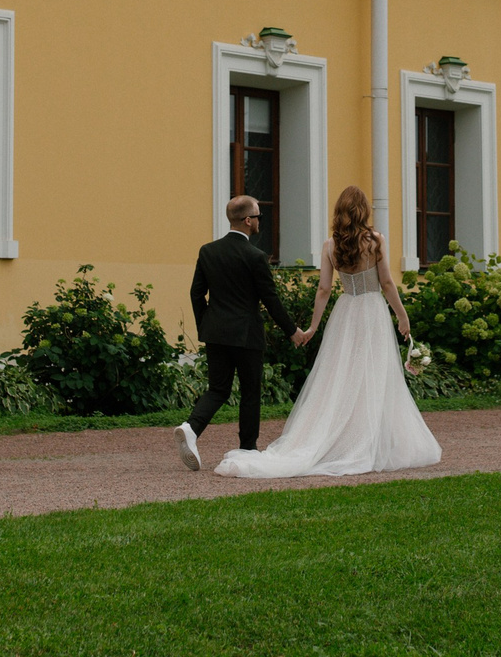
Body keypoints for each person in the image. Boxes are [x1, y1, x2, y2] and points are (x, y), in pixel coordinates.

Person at [212, 185, 441, 479]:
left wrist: (313, 327)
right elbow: (386, 284)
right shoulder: (375, 241)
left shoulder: (330, 245)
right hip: (372, 312)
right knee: (374, 374)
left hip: (346, 312)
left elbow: (323, 289)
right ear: (364, 211)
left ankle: (348, 436)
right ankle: (369, 441)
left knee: (341, 375)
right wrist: (402, 316)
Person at [177, 194, 301, 469]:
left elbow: (196, 293)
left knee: (218, 390)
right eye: (258, 217)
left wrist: (206, 324)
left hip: (216, 333)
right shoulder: (255, 257)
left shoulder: (208, 251)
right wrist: (292, 331)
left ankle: (191, 428)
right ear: (247, 220)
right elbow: (271, 300)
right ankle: (247, 449)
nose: (260, 222)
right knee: (250, 393)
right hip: (247, 335)